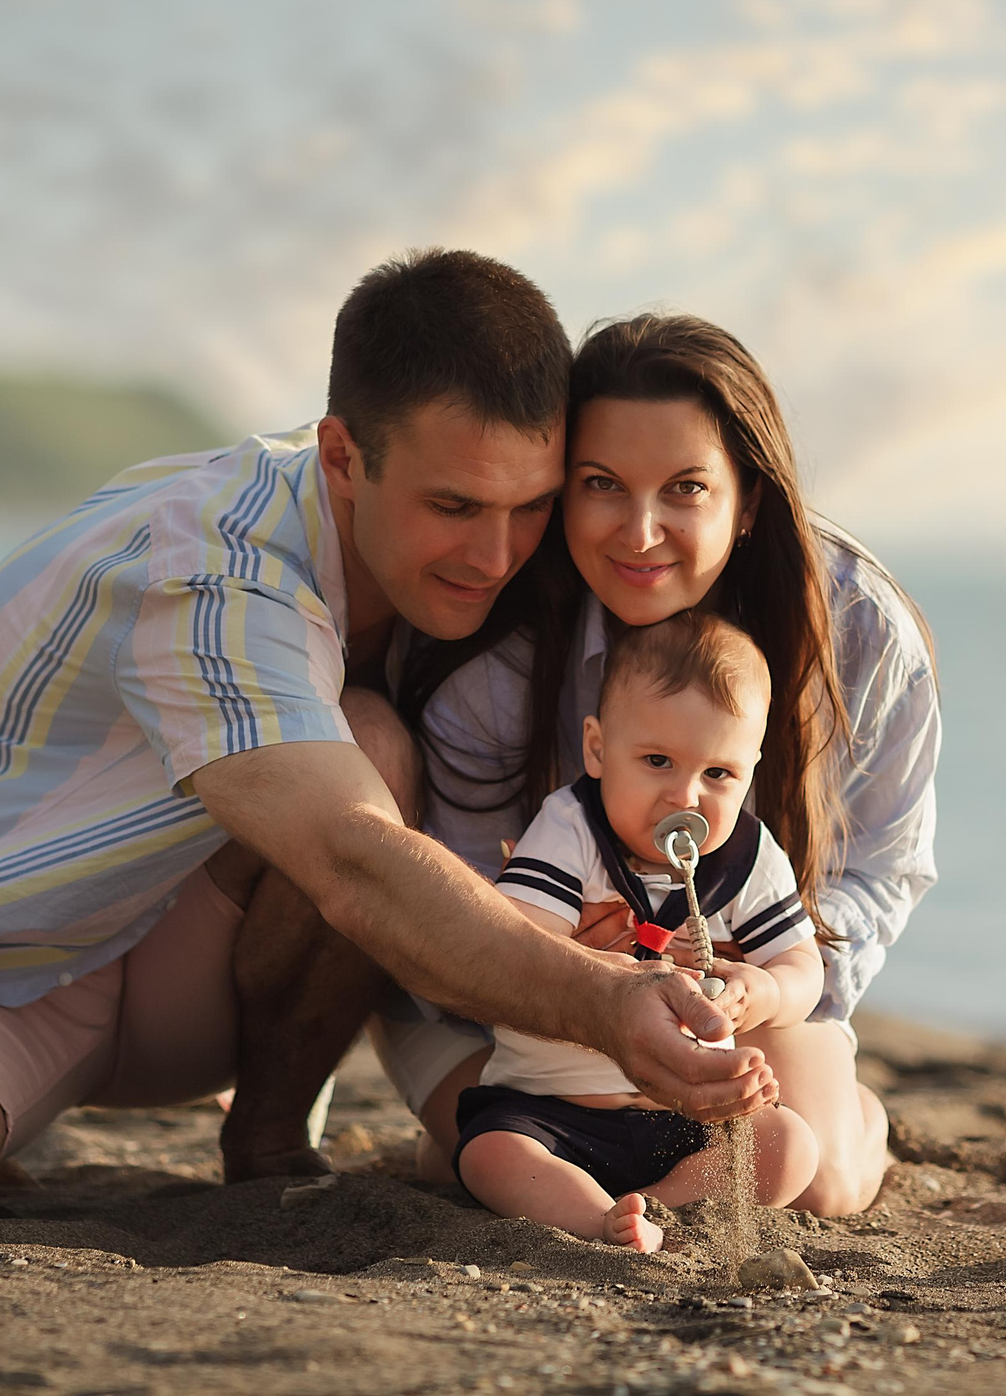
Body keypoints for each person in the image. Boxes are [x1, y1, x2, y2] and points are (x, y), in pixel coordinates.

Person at [0, 253, 777, 1218]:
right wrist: (609, 1001)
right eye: (453, 507)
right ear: (344, 457)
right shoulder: (209, 564)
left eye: (529, 506)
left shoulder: (489, 539)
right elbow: (350, 859)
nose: (496, 555)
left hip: (193, 973)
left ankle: (266, 1136)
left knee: (370, 738)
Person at [388, 313, 940, 1217]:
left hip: (736, 990)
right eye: (601, 484)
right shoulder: (497, 655)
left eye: (685, 487)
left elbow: (882, 866)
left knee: (822, 1183)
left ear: (748, 498)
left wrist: (755, 973)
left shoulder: (862, 632)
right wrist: (562, 966)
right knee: (498, 1155)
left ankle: (854, 1115)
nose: (640, 532)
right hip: (516, 1011)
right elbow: (440, 907)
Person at [458, 610, 822, 1251]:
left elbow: (802, 968)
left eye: (719, 774)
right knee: (491, 1155)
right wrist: (607, 962)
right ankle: (593, 1219)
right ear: (597, 749)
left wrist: (758, 991)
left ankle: (656, 1207)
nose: (686, 796)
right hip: (552, 1111)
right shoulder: (571, 826)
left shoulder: (749, 854)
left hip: (684, 1117)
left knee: (790, 1145)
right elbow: (519, 938)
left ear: (751, 771)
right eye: (657, 761)